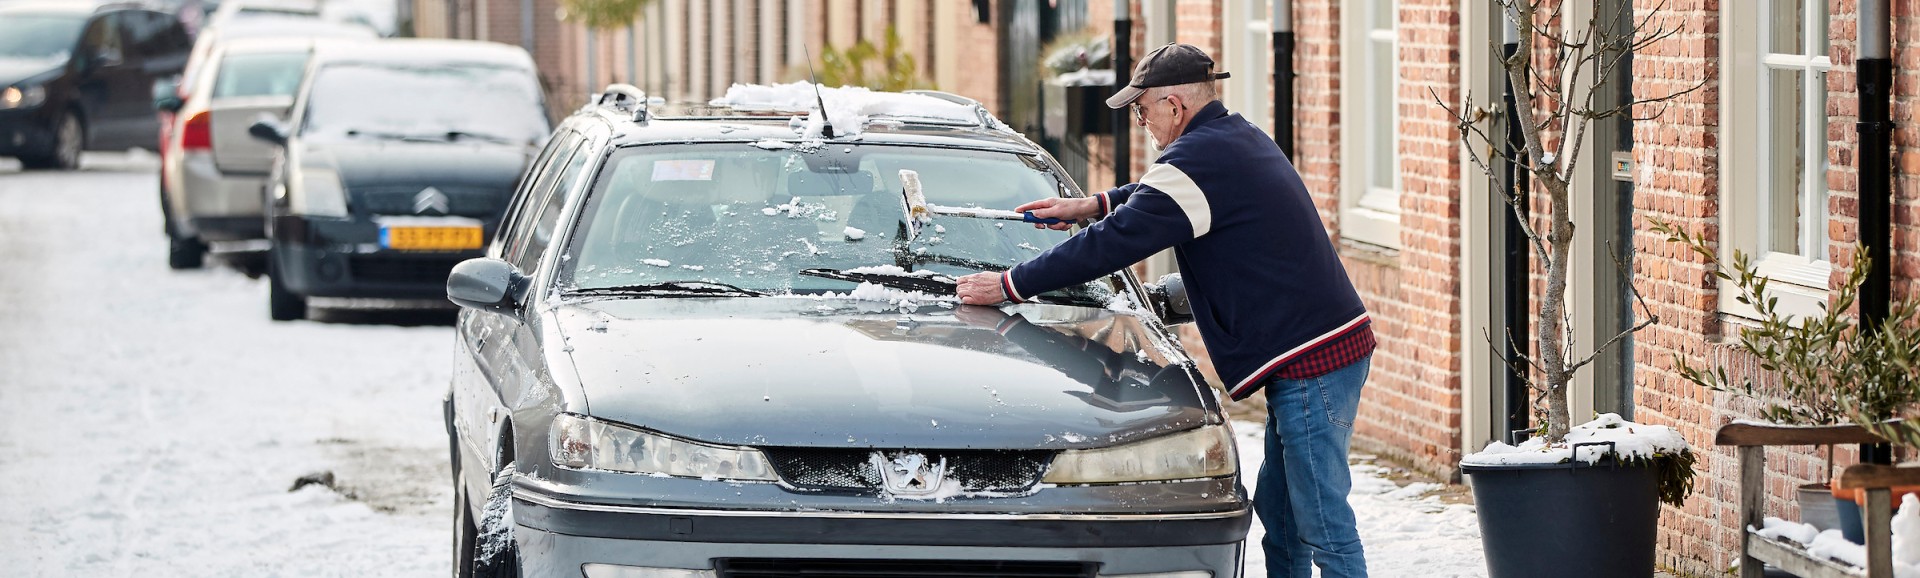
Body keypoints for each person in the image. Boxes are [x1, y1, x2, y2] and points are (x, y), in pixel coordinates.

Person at [954, 43, 1376, 578]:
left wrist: (1009, 284)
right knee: (1284, 515)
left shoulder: (1198, 159)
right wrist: (1094, 205)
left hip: (1315, 364)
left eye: (1142, 109)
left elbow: (1111, 245)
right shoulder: (1230, 138)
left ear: (1174, 106)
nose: (1141, 121)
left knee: (1321, 524)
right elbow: (1157, 194)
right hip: (1318, 351)